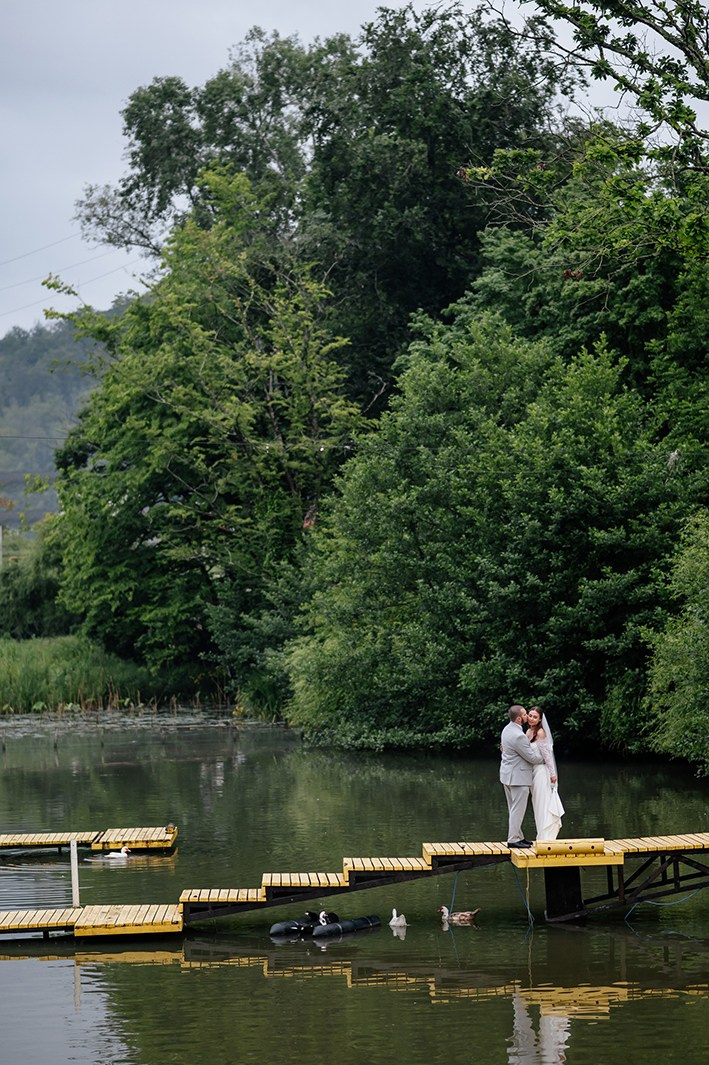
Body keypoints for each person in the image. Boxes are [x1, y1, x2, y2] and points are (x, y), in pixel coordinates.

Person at [500, 704, 544, 848]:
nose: (528, 717)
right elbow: (531, 757)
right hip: (518, 777)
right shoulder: (518, 735)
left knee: (513, 808)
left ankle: (519, 836)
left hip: (507, 775)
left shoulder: (507, 729)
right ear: (519, 719)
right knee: (517, 809)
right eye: (526, 714)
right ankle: (513, 839)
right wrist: (545, 758)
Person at [526, 706, 565, 841]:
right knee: (536, 803)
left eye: (535, 717)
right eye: (530, 715)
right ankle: (541, 835)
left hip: (542, 772)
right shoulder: (528, 732)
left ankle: (546, 836)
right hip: (533, 772)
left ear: (540, 719)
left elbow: (547, 756)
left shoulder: (540, 733)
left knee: (543, 803)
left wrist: (552, 774)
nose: (531, 718)